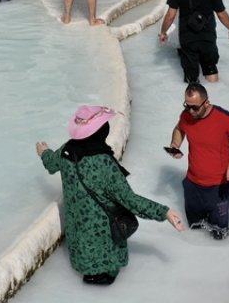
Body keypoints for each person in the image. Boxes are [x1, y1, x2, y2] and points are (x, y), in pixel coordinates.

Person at [37, 106, 185, 285]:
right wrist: (164, 212)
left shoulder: (67, 150)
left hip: (78, 244)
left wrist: (44, 151)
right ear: (100, 133)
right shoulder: (104, 163)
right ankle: (104, 277)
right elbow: (130, 200)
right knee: (107, 271)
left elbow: (51, 164)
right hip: (103, 244)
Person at [165, 83, 229, 240]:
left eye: (195, 107)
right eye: (187, 106)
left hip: (218, 186)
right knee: (195, 230)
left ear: (206, 102)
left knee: (220, 235)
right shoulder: (187, 115)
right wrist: (175, 144)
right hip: (193, 184)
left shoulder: (223, 118)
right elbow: (179, 129)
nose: (191, 111)